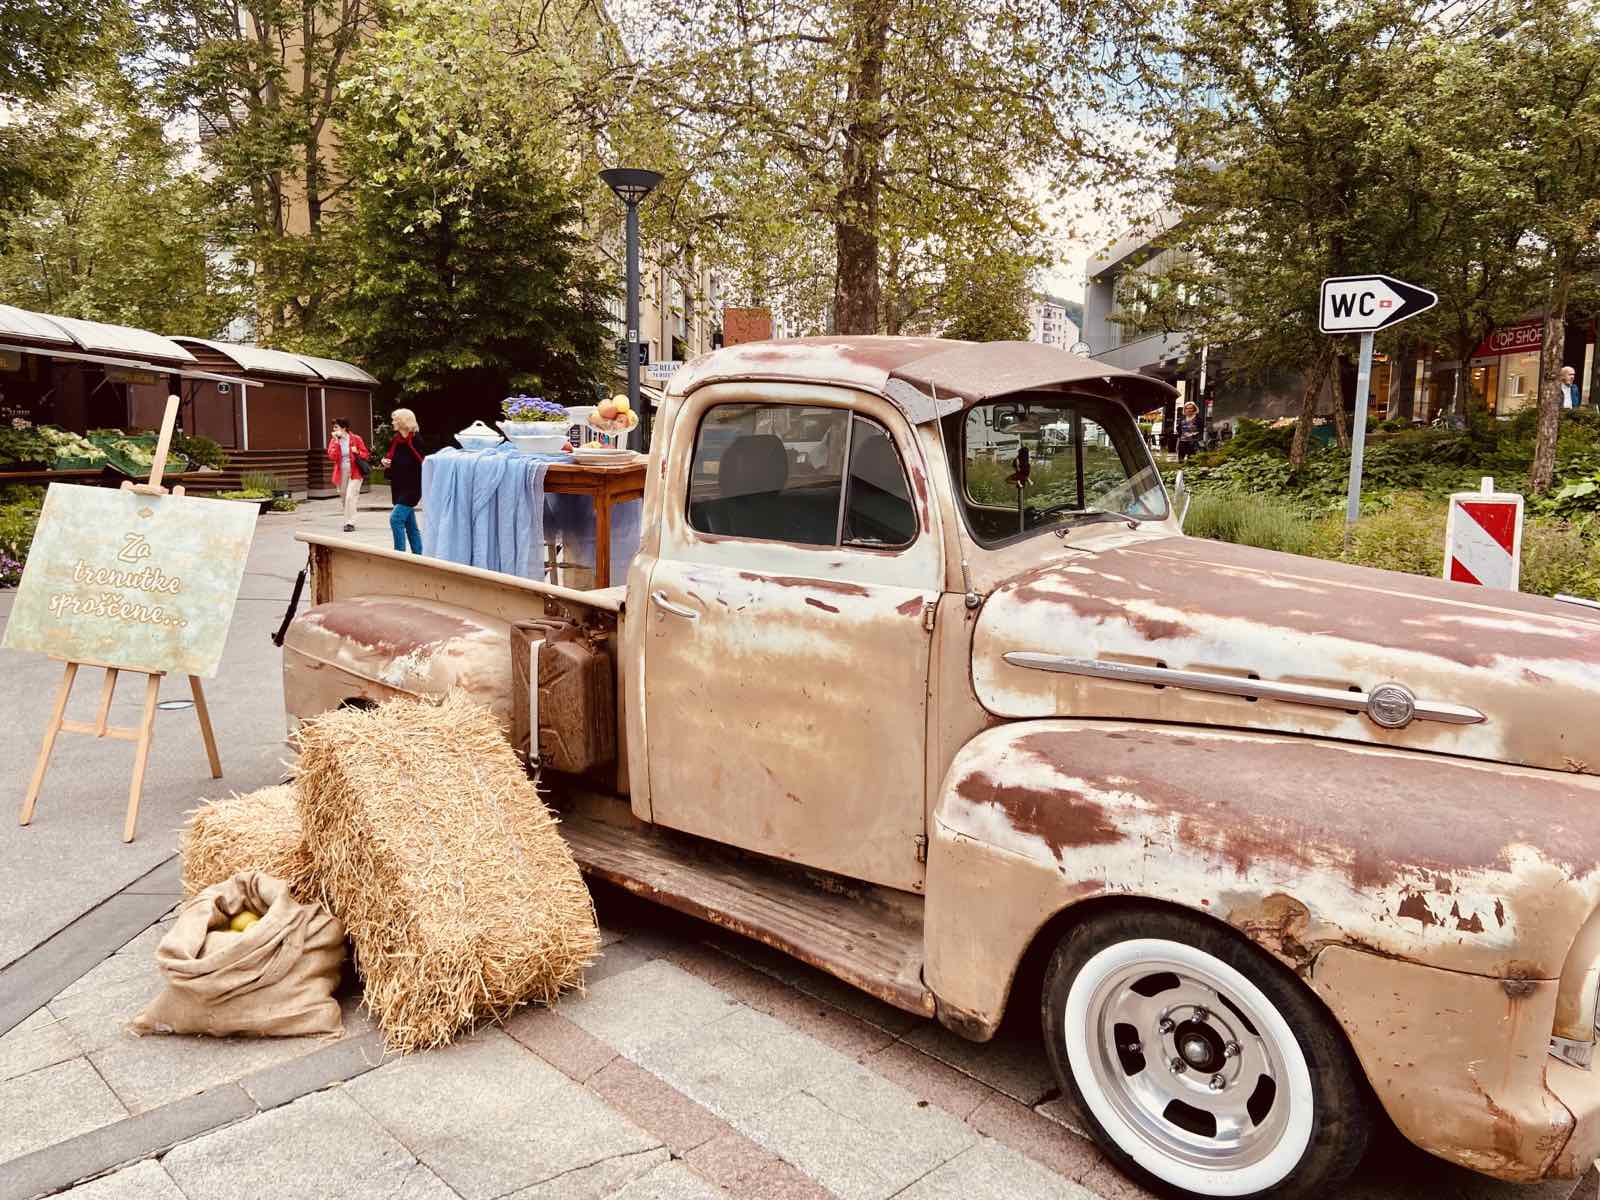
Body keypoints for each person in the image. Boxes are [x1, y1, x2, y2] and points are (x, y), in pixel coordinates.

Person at [382, 408, 424, 554]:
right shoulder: (396, 440)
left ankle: (399, 555)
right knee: (411, 526)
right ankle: (420, 558)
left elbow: (423, 464)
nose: (392, 422)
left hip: (412, 488)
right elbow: (394, 459)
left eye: (395, 419)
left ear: (403, 421)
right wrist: (386, 462)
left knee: (396, 519)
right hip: (399, 487)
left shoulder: (416, 440)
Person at [326, 418, 369, 532]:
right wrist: (336, 442)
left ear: (343, 428)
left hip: (355, 471)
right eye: (333, 427)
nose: (333, 430)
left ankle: (350, 522)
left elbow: (365, 454)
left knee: (351, 496)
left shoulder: (356, 439)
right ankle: (348, 518)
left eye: (336, 427)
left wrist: (357, 452)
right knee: (344, 497)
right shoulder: (334, 441)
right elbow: (332, 457)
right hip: (341, 472)